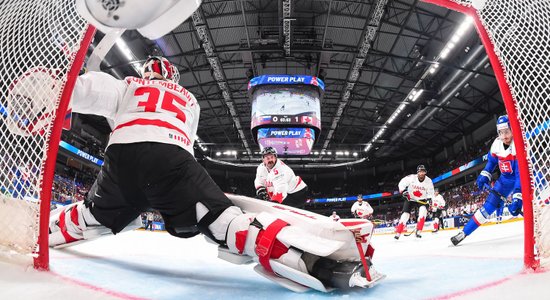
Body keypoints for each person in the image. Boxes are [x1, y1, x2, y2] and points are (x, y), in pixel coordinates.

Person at [47, 56, 381, 291]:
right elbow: (180, 142)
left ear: (146, 74)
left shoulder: (128, 85)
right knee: (225, 221)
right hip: (171, 160)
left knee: (89, 217)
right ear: (173, 79)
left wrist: (54, 87)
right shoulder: (190, 100)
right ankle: (311, 262)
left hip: (122, 159)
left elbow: (85, 91)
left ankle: (40, 232)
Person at [451, 115, 523, 246]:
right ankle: (464, 233)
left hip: (523, 179)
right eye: (501, 132)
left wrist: (518, 195)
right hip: (505, 180)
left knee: (529, 205)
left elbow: (520, 175)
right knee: (488, 207)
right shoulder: (496, 144)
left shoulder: (519, 143)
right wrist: (484, 175)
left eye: (507, 131)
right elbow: (491, 163)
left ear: (512, 129)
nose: (504, 136)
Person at [394, 165, 435, 239]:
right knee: (405, 215)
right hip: (411, 198)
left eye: (423, 172)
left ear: (425, 172)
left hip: (422, 199)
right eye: (420, 172)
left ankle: (418, 231)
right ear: (417, 172)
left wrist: (429, 198)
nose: (421, 173)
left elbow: (431, 192)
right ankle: (398, 232)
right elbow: (401, 183)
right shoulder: (411, 177)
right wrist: (404, 191)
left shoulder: (429, 181)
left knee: (423, 212)